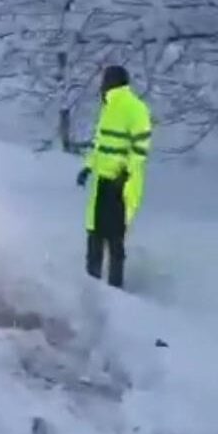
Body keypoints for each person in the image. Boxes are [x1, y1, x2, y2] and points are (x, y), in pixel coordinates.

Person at [77, 65, 152, 288]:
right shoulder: (108, 107)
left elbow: (141, 148)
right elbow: (100, 144)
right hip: (102, 180)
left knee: (115, 237)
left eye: (105, 81)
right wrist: (88, 167)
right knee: (95, 234)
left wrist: (126, 173)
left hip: (122, 183)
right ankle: (92, 285)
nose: (101, 85)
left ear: (114, 82)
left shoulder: (135, 108)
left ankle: (115, 288)